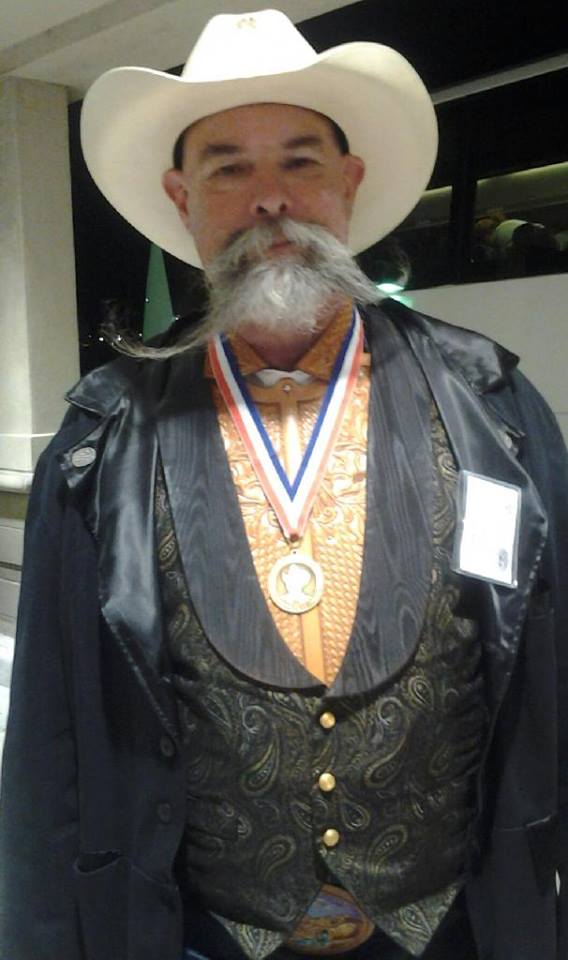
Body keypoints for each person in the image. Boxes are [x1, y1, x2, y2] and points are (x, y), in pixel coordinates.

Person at [1, 10, 567, 960]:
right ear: (184, 200)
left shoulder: (495, 406)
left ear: (349, 184)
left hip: (455, 927)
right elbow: (51, 748)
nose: (271, 200)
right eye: (229, 167)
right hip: (199, 936)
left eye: (302, 162)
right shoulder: (101, 438)